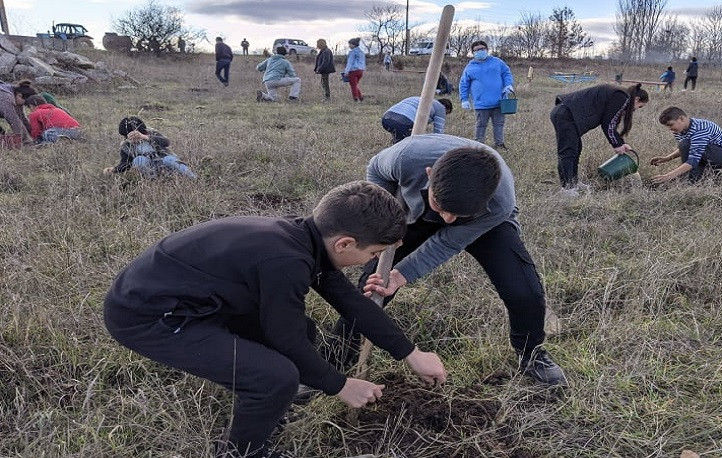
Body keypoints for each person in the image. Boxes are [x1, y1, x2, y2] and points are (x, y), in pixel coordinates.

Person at [103, 181, 448, 458]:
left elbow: (349, 302)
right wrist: (341, 385)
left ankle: (273, 402)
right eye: (372, 254)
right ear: (345, 243)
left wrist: (410, 353)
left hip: (200, 301)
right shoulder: (285, 261)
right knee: (275, 377)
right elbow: (285, 338)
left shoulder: (304, 238)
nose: (368, 261)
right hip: (150, 317)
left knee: (305, 335)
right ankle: (243, 451)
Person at [330, 135, 567, 387]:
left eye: (456, 214)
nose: (448, 219)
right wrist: (384, 223)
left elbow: (448, 241)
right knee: (373, 285)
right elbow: (375, 170)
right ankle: (336, 356)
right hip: (415, 213)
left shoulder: (499, 202)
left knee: (523, 291)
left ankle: (530, 354)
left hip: (483, 223)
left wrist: (402, 275)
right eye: (441, 208)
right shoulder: (407, 157)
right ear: (430, 174)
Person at [549, 83, 649, 197]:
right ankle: (567, 188)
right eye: (640, 106)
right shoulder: (621, 96)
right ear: (637, 99)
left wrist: (621, 143)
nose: (636, 110)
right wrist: (616, 145)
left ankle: (574, 182)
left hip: (568, 115)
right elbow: (608, 123)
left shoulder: (620, 95)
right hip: (566, 115)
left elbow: (610, 121)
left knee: (576, 149)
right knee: (568, 152)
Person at [651, 106, 722, 184]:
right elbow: (686, 149)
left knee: (687, 149)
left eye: (670, 125)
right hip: (708, 152)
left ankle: (691, 180)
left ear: (681, 119)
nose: (669, 129)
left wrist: (668, 176)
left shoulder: (700, 129)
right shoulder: (679, 130)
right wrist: (666, 158)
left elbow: (692, 160)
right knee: (685, 145)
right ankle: (710, 177)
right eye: (667, 126)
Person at [459, 40, 514, 150]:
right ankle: (478, 145)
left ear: (487, 50)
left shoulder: (497, 62)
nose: (480, 51)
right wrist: (464, 99)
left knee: (499, 124)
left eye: (482, 49)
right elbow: (464, 83)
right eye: (477, 50)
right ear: (473, 52)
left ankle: (499, 143)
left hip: (499, 101)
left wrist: (508, 84)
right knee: (481, 125)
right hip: (481, 103)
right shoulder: (470, 67)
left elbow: (506, 73)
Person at [102, 116, 196, 179]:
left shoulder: (151, 133)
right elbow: (126, 164)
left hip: (165, 162)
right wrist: (113, 170)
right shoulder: (126, 145)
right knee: (139, 160)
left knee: (169, 159)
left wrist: (145, 137)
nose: (133, 137)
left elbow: (166, 142)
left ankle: (193, 178)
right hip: (150, 169)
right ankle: (154, 183)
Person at [381, 96, 452, 143]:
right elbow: (438, 132)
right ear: (445, 108)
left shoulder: (419, 99)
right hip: (403, 121)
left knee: (400, 137)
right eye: (446, 113)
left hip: (386, 118)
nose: (444, 115)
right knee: (410, 143)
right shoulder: (440, 107)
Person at [345, 37, 366, 102]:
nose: (349, 46)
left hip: (353, 71)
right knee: (355, 85)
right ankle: (360, 97)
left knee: (353, 85)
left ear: (354, 45)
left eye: (350, 44)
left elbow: (350, 62)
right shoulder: (361, 52)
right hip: (361, 71)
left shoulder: (352, 52)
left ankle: (355, 98)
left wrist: (346, 71)